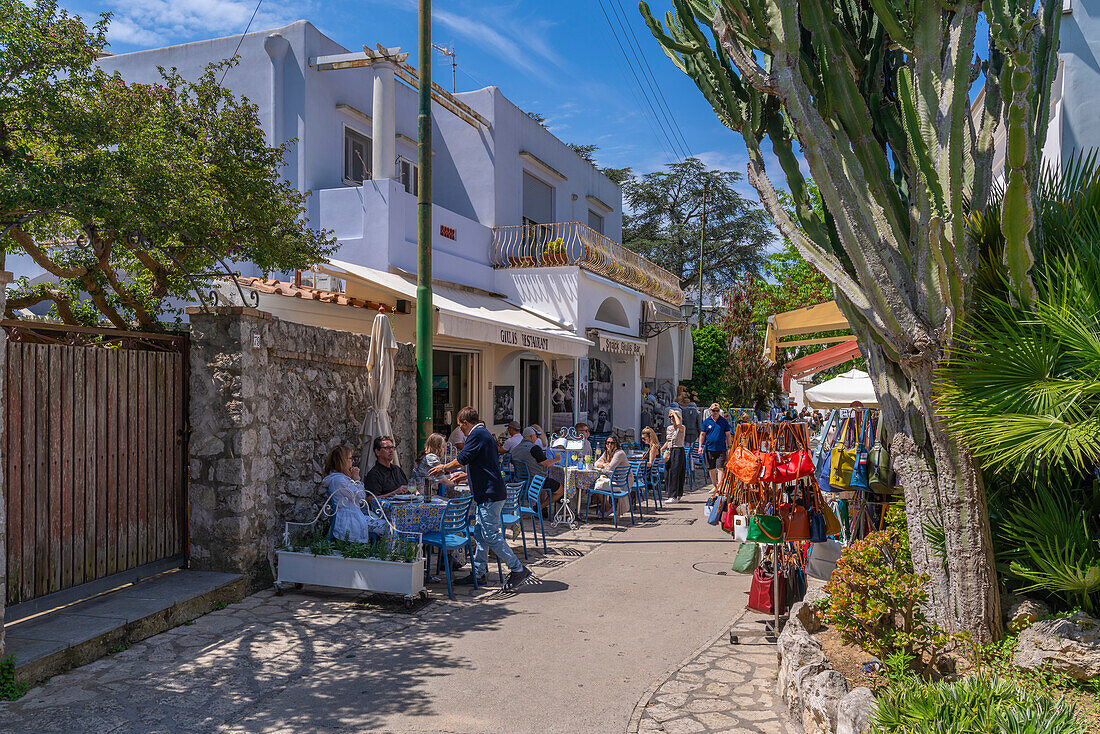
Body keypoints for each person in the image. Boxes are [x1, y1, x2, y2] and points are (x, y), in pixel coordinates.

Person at [431, 406, 532, 590]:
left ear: (465, 423)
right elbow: (484, 464)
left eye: (460, 426)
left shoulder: (476, 435)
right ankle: (479, 573)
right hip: (489, 491)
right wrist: (466, 476)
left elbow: (463, 458)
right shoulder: (485, 435)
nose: (460, 430)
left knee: (490, 534)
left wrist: (443, 468)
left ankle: (517, 569)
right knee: (479, 533)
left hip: (489, 493)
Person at [321, 446, 385, 541]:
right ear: (342, 461)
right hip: (350, 519)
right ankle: (389, 553)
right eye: (350, 458)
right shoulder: (339, 480)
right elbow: (361, 498)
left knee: (387, 524)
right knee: (389, 528)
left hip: (353, 515)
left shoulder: (339, 478)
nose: (353, 461)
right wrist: (357, 480)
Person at [510, 427, 565, 510]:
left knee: (543, 485)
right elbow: (547, 464)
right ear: (532, 436)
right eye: (536, 436)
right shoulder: (534, 448)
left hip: (520, 481)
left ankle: (541, 509)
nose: (537, 438)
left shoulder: (515, 449)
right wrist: (556, 460)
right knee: (561, 489)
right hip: (536, 481)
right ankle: (539, 507)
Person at [697, 403, 733, 489]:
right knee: (711, 468)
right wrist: (700, 447)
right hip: (710, 448)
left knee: (720, 467)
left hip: (721, 448)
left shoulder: (724, 421)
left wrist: (729, 447)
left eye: (717, 411)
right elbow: (702, 434)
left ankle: (720, 487)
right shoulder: (706, 421)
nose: (715, 412)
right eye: (714, 411)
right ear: (710, 411)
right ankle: (714, 485)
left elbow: (728, 434)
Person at [593, 434, 630, 515]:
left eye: (612, 443)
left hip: (622, 481)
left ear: (616, 444)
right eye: (607, 443)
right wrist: (603, 464)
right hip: (613, 478)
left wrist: (604, 464)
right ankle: (607, 507)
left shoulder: (619, 453)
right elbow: (596, 463)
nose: (609, 445)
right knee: (597, 484)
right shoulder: (607, 452)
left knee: (598, 486)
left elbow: (609, 468)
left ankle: (606, 507)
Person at [664, 407, 686, 502]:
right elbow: (668, 441)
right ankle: (672, 494)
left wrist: (674, 413)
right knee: (667, 472)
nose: (671, 418)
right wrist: (661, 449)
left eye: (673, 417)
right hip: (670, 450)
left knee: (676, 472)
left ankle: (674, 496)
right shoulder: (669, 428)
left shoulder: (681, 427)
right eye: (670, 417)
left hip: (678, 450)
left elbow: (678, 424)